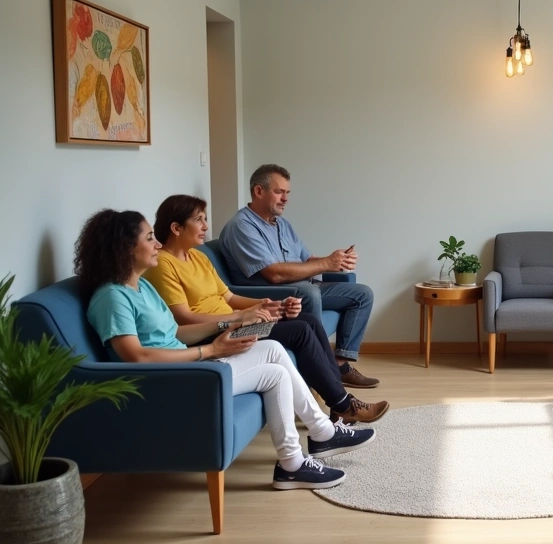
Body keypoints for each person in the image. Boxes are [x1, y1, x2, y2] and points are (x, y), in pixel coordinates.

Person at [75, 209, 374, 490]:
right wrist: (210, 351)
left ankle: (319, 436)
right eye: (149, 237)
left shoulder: (141, 287)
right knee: (274, 374)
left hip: (185, 365)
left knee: (271, 349)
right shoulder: (111, 299)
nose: (157, 244)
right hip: (168, 378)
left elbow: (176, 332)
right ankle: (298, 458)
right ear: (125, 248)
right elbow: (136, 357)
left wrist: (227, 327)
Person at [143, 194, 388, 423]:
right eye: (199, 220)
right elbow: (183, 318)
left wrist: (271, 305)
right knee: (300, 331)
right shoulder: (163, 265)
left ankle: (339, 402)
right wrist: (241, 317)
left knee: (309, 321)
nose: (206, 226)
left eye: (205, 219)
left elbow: (228, 295)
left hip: (237, 322)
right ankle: (345, 405)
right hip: (216, 332)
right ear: (176, 228)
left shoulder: (198, 257)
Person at [219, 164, 378, 384]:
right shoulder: (241, 226)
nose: (285, 198)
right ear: (258, 191)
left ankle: (339, 366)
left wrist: (335, 260)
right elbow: (273, 275)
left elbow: (306, 259)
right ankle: (322, 374)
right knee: (308, 291)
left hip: (302, 286)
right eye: (279, 192)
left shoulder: (281, 224)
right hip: (269, 293)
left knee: (362, 294)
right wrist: (325, 264)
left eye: (287, 193)